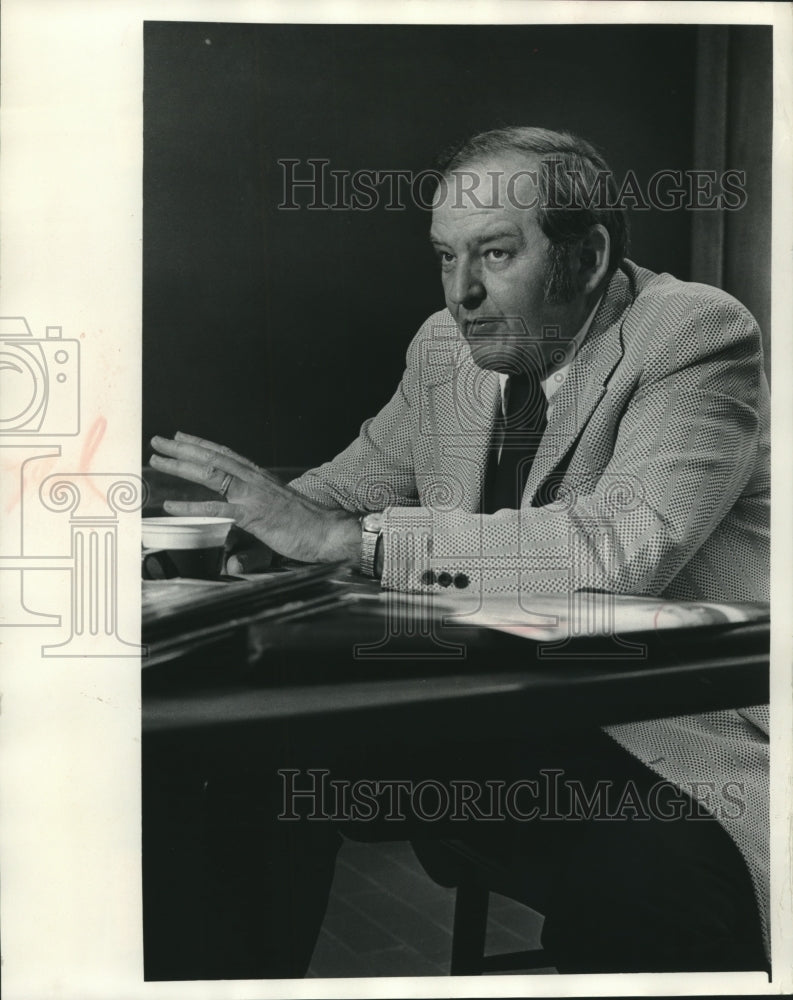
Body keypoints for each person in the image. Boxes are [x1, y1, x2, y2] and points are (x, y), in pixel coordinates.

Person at [149, 127, 769, 976]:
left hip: (653, 730)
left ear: (585, 255)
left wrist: (350, 542)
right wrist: (213, 528)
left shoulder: (692, 334)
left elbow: (623, 545)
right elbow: (344, 490)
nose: (461, 292)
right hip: (487, 709)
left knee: (653, 890)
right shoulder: (446, 347)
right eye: (445, 258)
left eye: (494, 254)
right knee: (234, 765)